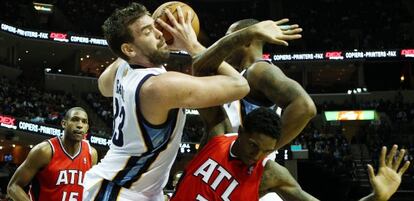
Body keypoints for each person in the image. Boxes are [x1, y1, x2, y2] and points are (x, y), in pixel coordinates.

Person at [82, 3, 302, 201]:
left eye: (156, 25)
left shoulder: (123, 67)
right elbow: (239, 86)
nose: (161, 33)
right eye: (149, 32)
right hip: (119, 190)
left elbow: (104, 86)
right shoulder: (159, 86)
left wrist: (147, 42)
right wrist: (192, 44)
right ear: (129, 49)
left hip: (135, 188)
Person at [171, 108, 411, 201]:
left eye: (267, 150)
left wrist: (376, 198)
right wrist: (246, 35)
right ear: (242, 132)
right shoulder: (217, 136)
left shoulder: (271, 174)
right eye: (254, 146)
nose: (258, 155)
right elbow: (202, 68)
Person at [195, 18, 316, 151]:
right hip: (225, 165)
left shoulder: (258, 70)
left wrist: (260, 153)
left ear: (246, 41)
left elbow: (305, 107)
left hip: (242, 168)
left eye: (230, 38)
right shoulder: (243, 74)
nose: (226, 45)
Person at [7, 107, 98, 201]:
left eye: (84, 121)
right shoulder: (44, 151)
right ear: (64, 123)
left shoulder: (92, 154)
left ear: (87, 128)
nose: (80, 125)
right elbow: (13, 186)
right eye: (75, 120)